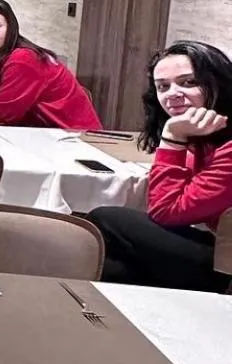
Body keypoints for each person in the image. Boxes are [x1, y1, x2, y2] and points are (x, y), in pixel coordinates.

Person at [88, 41, 232, 292]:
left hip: (227, 264)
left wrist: (172, 136)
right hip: (219, 247)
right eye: (163, 86)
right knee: (113, 263)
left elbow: (166, 211)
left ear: (219, 83)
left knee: (106, 220)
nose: (173, 93)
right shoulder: (207, 137)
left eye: (189, 82)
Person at [0, 0, 101, 129]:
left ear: (10, 28)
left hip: (76, 137)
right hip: (42, 133)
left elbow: (0, 117)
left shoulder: (23, 58)